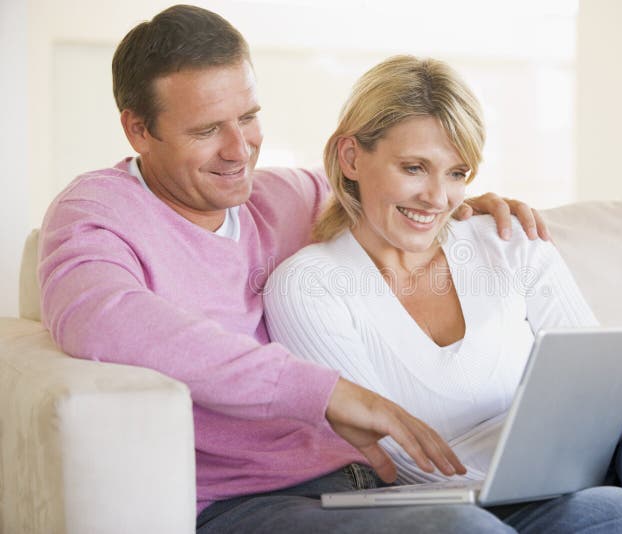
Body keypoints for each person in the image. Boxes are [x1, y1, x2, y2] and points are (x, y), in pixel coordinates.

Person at [36, 5, 561, 534]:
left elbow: (385, 185)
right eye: (206, 130)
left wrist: (457, 203)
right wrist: (323, 391)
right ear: (138, 130)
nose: (239, 150)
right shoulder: (98, 212)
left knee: (607, 512)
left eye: (247, 117)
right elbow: (103, 319)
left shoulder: (286, 197)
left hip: (380, 485)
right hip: (253, 501)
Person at [263, 55, 622, 534]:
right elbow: (407, 461)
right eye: (413, 168)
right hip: (522, 490)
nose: (438, 197)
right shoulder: (309, 288)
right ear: (351, 158)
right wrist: (553, 477)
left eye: (456, 173)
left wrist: (571, 467)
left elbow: (610, 390)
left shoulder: (504, 239)